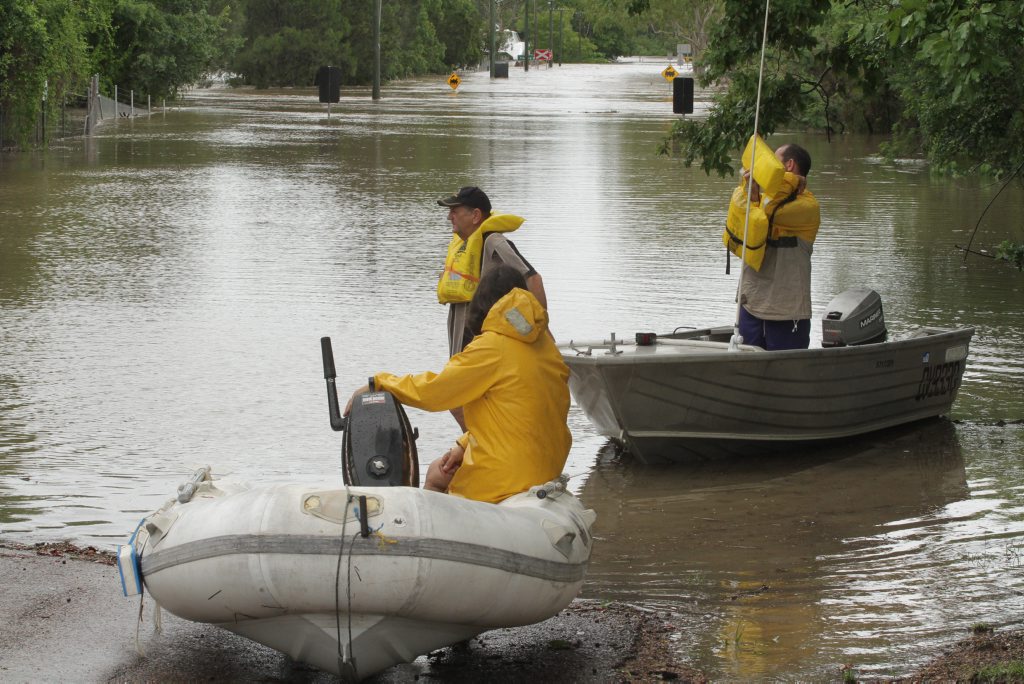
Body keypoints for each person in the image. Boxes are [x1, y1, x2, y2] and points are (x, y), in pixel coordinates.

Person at [345, 265, 571, 504]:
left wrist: (381, 382)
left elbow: (434, 392)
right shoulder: (545, 345)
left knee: (435, 474)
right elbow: (518, 412)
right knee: (448, 467)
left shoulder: (492, 347)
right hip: (546, 469)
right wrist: (463, 447)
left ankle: (418, 536)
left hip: (506, 479)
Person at [436, 186, 547, 357]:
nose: (449, 217)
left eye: (454, 211)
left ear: (475, 216)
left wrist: (542, 330)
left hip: (484, 344)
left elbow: (533, 279)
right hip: (462, 340)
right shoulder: (460, 245)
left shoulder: (494, 242)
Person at [732, 143, 821, 350]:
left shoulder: (808, 206)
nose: (766, 167)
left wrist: (762, 192)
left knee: (787, 368)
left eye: (773, 160)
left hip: (786, 310)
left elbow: (768, 215)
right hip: (752, 302)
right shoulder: (759, 198)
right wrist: (751, 189)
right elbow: (746, 213)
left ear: (789, 166)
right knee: (748, 364)